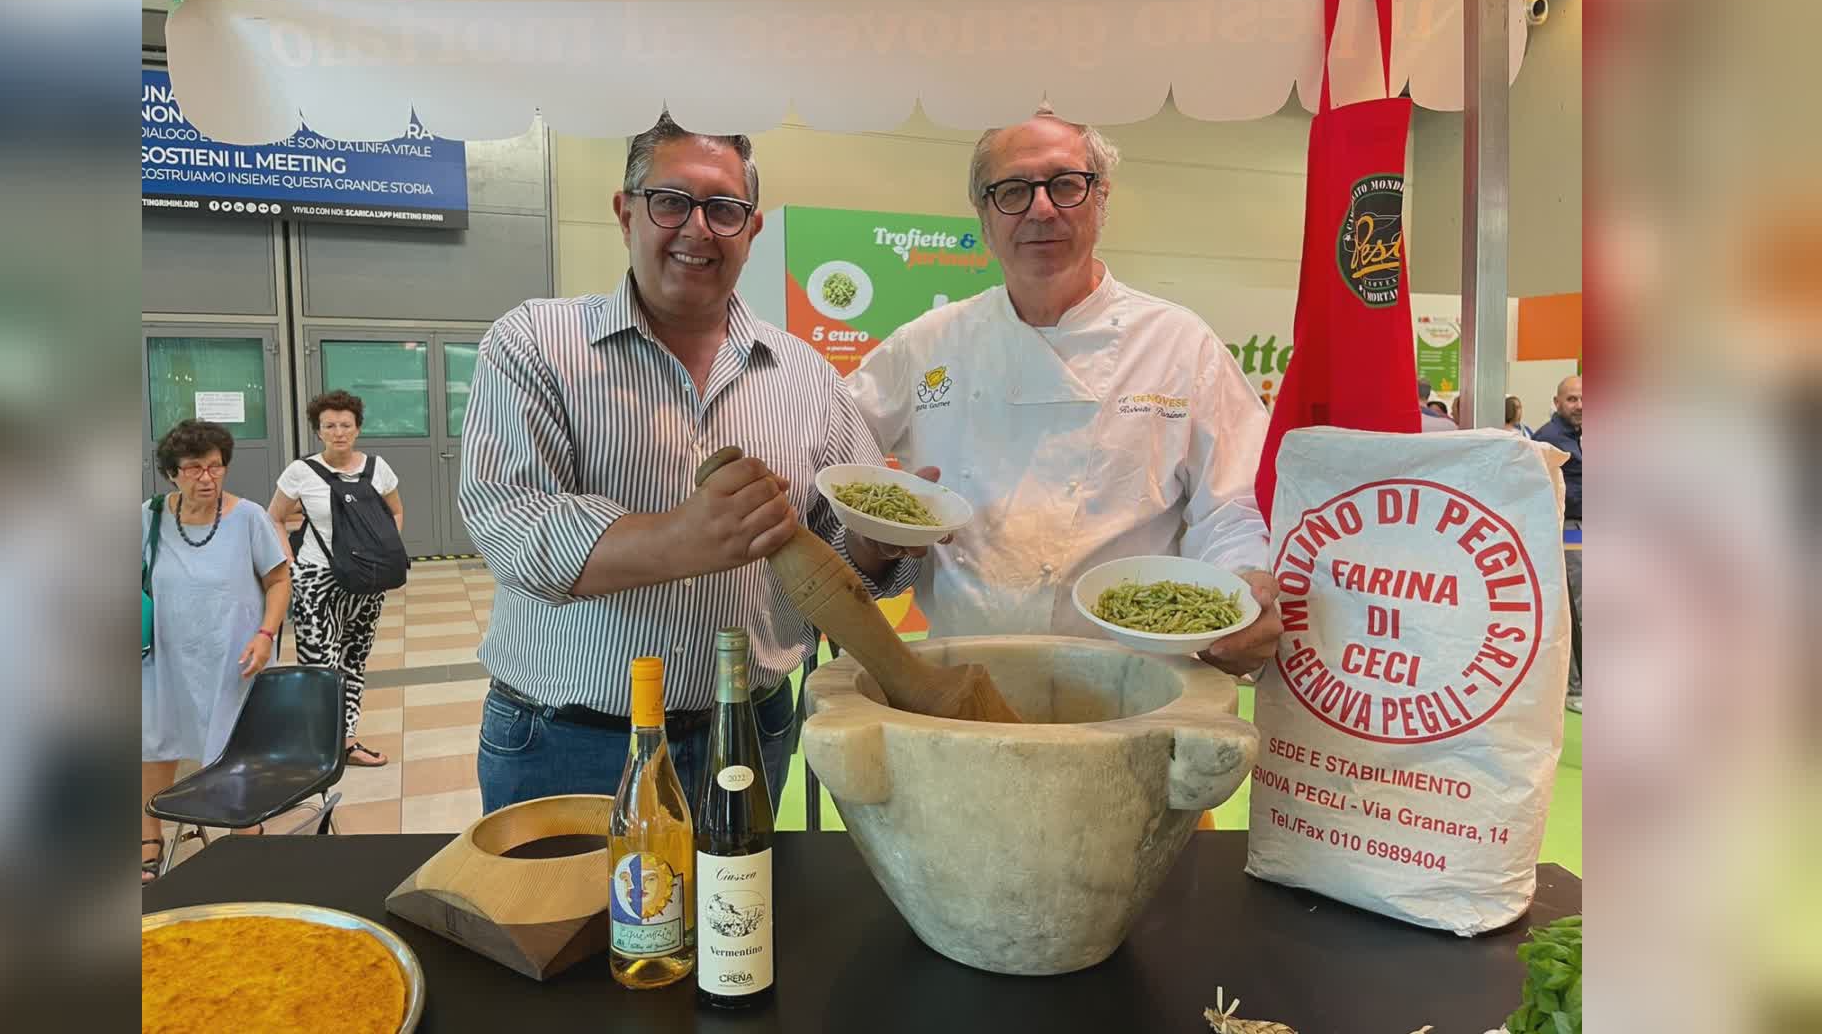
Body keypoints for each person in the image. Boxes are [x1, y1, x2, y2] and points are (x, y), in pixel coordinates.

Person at [460, 114, 921, 814]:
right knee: (568, 927)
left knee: (744, 919)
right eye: (671, 201)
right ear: (625, 212)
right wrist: (683, 538)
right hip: (570, 743)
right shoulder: (535, 343)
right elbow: (513, 529)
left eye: (724, 209)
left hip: (752, 731)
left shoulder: (805, 374)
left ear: (752, 229)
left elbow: (837, 554)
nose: (698, 228)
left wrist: (875, 544)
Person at [846, 109, 1282, 678]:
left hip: (1135, 681)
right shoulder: (927, 344)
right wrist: (874, 535)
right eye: (1013, 191)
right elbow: (832, 448)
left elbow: (1232, 506)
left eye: (1066, 185)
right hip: (962, 681)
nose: (1041, 209)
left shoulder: (1178, 343)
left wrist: (1242, 582)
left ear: (1101, 200)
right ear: (984, 214)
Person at [143, 420, 291, 883]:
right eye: (193, 469)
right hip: (162, 656)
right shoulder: (147, 518)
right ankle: (149, 834)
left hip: (231, 656)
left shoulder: (248, 518)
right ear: (172, 473)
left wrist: (266, 635)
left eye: (215, 467)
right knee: (154, 740)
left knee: (228, 744)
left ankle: (241, 825)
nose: (206, 478)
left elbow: (279, 580)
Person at [267, 390, 405, 768]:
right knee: (318, 661)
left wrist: (382, 551)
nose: (339, 432)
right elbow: (274, 516)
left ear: (357, 429)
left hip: (366, 580)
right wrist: (291, 561)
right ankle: (316, 744)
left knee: (354, 658)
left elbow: (395, 513)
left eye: (346, 425)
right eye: (330, 425)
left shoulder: (378, 469)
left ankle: (346, 741)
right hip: (317, 579)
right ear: (319, 430)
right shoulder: (301, 472)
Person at [1533, 375, 1582, 713]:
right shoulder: (1550, 439)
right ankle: (1576, 688)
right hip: (1569, 531)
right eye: (1572, 399)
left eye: (1582, 399)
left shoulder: (1580, 435)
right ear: (1557, 402)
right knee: (1578, 610)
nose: (1579, 406)